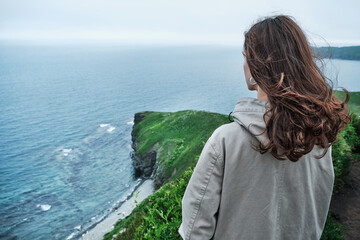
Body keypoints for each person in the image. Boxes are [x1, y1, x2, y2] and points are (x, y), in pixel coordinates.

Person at [178, 15, 351, 240]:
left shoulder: (225, 140)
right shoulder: (320, 139)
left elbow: (194, 230)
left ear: (255, 66)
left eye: (246, 57)